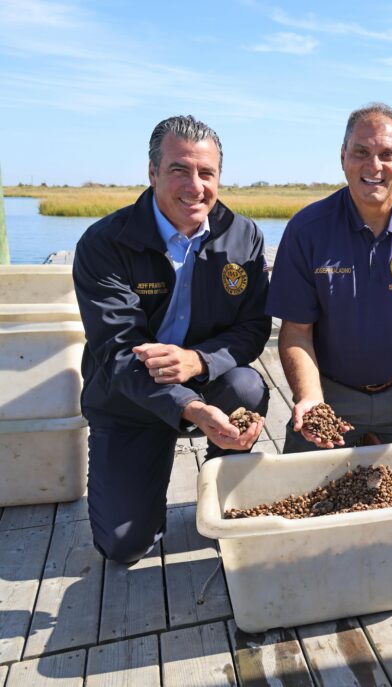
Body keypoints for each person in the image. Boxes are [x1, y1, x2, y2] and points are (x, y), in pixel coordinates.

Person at [73, 115, 271, 565]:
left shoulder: (244, 237)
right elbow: (119, 352)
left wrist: (199, 361)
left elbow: (254, 328)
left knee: (247, 387)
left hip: (207, 383)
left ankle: (221, 484)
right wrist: (187, 405)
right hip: (129, 400)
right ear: (152, 172)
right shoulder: (105, 243)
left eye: (207, 173)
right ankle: (145, 486)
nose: (195, 186)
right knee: (124, 546)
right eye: (179, 169)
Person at [267, 103, 392, 450]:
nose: (374, 166)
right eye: (361, 152)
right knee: (297, 494)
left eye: (386, 154)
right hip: (331, 394)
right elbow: (296, 332)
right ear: (343, 157)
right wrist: (311, 399)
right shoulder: (306, 230)